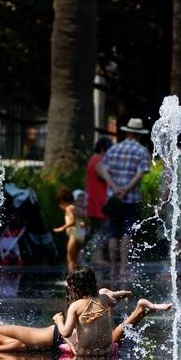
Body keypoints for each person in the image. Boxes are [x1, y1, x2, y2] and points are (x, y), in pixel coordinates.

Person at [52, 266, 172, 356]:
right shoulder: (103, 298)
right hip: (109, 349)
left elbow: (66, 332)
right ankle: (117, 294)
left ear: (74, 288)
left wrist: (59, 321)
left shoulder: (75, 306)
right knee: (103, 293)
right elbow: (113, 303)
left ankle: (117, 294)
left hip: (88, 354)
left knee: (64, 334)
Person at [96, 118, 151, 278]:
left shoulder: (114, 149)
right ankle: (124, 269)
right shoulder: (141, 151)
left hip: (114, 199)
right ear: (139, 134)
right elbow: (140, 173)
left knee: (113, 232)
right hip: (131, 198)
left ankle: (113, 269)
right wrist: (126, 189)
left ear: (128, 132)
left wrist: (114, 187)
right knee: (127, 232)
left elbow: (103, 169)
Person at [86, 137, 113, 265]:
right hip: (98, 201)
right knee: (102, 231)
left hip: (96, 200)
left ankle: (96, 256)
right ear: (102, 149)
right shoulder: (97, 160)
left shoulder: (94, 159)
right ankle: (97, 257)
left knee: (99, 230)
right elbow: (105, 176)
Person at [53, 187, 86, 271]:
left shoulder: (69, 208)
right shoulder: (77, 209)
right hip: (81, 236)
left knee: (70, 259)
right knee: (77, 259)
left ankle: (72, 281)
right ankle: (79, 279)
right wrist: (83, 225)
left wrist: (62, 228)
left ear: (62, 202)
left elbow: (72, 221)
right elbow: (87, 221)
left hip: (74, 236)